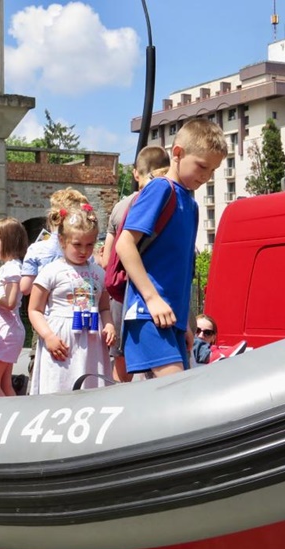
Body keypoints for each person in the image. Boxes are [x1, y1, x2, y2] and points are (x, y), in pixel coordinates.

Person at [116, 119, 227, 378]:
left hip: (170, 319)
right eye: (202, 166)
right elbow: (124, 243)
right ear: (178, 153)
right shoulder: (160, 189)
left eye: (212, 170)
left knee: (173, 393)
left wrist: (184, 323)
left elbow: (182, 270)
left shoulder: (191, 204)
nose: (206, 176)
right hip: (148, 312)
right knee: (180, 391)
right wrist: (152, 299)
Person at [28, 205, 116, 394]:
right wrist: (48, 336)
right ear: (62, 241)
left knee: (91, 386)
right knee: (59, 386)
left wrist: (109, 325)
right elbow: (34, 310)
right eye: (77, 244)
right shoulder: (51, 271)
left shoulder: (99, 273)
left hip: (92, 342)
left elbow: (104, 308)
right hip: (61, 342)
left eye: (90, 244)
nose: (84, 250)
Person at [102, 146, 170, 383]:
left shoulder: (122, 206)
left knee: (122, 366)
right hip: (160, 291)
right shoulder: (172, 198)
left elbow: (107, 259)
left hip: (125, 294)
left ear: (135, 173)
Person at [20, 188, 91, 376]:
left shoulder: (38, 249)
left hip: (46, 320)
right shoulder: (86, 251)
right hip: (82, 321)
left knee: (46, 369)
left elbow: (25, 288)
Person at [0, 217, 29, 396]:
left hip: (4, 331)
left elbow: (9, 302)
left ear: (7, 242)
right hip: (8, 330)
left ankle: (2, 412)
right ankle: (15, 411)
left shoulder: (11, 269)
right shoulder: (10, 267)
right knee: (5, 384)